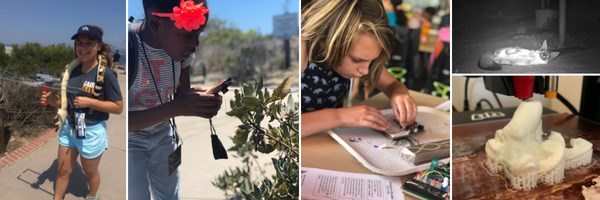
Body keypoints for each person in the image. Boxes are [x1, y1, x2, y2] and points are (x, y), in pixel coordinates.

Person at [127, 0, 223, 199]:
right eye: (187, 34)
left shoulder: (182, 54)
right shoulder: (130, 47)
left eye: (200, 33)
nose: (195, 44)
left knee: (169, 195)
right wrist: (176, 108)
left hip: (163, 137)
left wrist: (201, 101)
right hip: (131, 143)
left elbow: (181, 96)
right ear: (155, 24)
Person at [301, 0, 418, 137]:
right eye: (357, 60)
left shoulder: (361, 58)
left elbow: (392, 84)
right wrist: (339, 117)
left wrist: (398, 94)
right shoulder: (302, 52)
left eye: (372, 60)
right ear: (329, 40)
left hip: (328, 141)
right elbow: (280, 126)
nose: (365, 71)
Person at [41, 24, 123, 200]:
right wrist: (51, 101)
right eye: (79, 43)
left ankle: (92, 196)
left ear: (98, 46)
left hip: (91, 131)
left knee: (90, 173)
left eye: (89, 43)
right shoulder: (70, 70)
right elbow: (65, 103)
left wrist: (90, 102)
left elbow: (118, 107)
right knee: (63, 171)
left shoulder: (106, 74)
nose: (83, 48)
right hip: (69, 128)